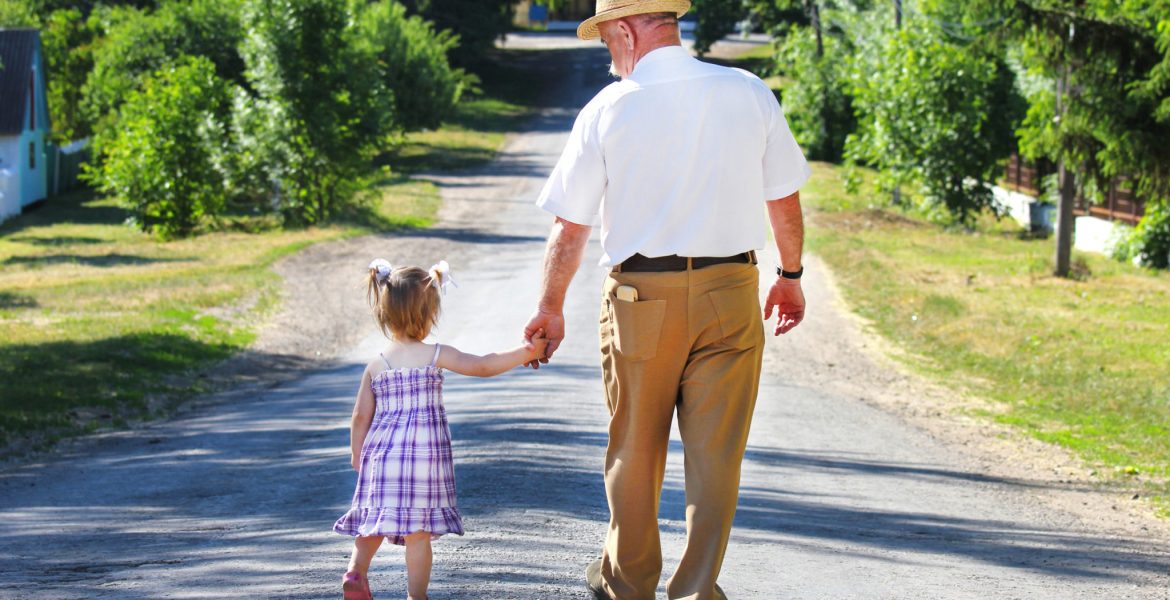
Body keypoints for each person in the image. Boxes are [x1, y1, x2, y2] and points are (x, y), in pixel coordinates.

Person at [522, 1, 811, 599]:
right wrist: (791, 274)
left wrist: (550, 308)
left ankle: (627, 585)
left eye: (606, 40)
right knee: (717, 458)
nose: (608, 55)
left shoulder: (609, 108)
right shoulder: (748, 90)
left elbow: (570, 227)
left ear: (625, 30)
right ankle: (697, 590)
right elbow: (782, 198)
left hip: (640, 299)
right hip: (731, 294)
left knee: (635, 444)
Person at [334, 259, 547, 600]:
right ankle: (416, 596)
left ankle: (356, 573)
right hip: (423, 461)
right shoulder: (435, 355)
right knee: (418, 534)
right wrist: (526, 352)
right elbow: (482, 365)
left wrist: (358, 456)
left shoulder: (377, 363)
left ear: (385, 313)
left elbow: (361, 415)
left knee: (373, 519)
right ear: (430, 313)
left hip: (382, 460)